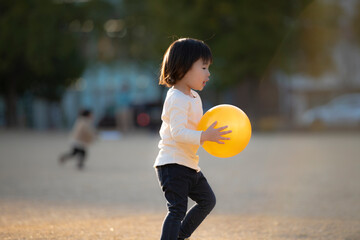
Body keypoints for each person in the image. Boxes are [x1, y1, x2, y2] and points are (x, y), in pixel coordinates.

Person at [154, 38, 232, 240]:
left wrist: (210, 135)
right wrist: (204, 136)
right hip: (172, 164)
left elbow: (197, 127)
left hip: (188, 163)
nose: (208, 73)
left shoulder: (194, 97)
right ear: (184, 67)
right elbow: (179, 133)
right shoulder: (176, 98)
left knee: (208, 200)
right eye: (204, 67)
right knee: (177, 210)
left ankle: (180, 236)